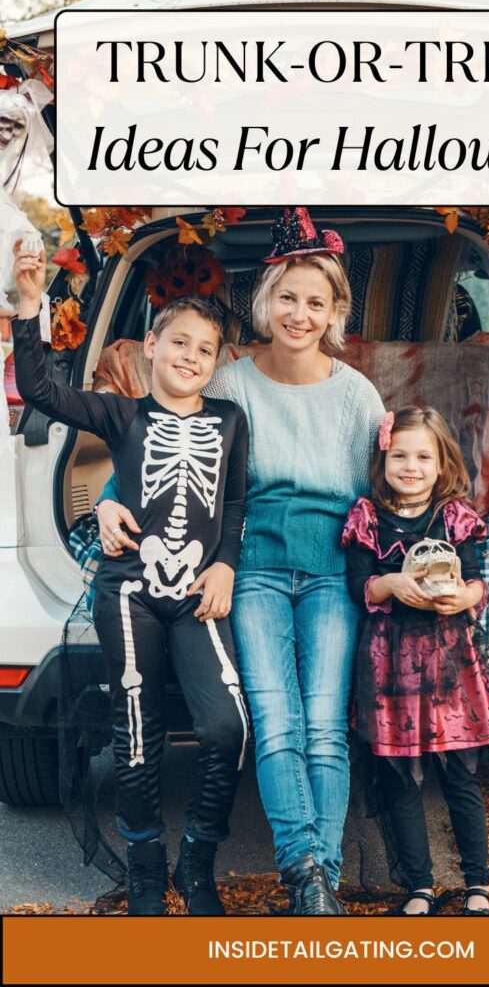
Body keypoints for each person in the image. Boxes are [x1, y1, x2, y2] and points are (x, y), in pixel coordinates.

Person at [95, 207, 386, 914]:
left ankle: (317, 871)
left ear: (334, 312)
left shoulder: (356, 396)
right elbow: (157, 447)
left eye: (316, 301)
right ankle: (303, 873)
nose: (298, 312)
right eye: (286, 295)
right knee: (276, 720)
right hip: (245, 563)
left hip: (327, 568)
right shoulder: (228, 385)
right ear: (264, 300)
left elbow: (387, 491)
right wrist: (105, 499)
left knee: (323, 722)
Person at [12, 241, 250, 917]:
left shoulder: (229, 422)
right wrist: (30, 307)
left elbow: (233, 504)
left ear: (217, 361)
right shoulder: (122, 415)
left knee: (227, 726)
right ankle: (146, 866)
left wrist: (226, 562)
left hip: (198, 594)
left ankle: (197, 858)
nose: (189, 357)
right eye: (178, 342)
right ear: (150, 344)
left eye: (204, 350)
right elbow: (38, 390)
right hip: (129, 591)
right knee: (137, 729)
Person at [342, 406, 489, 915]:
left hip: (448, 662)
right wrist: (391, 584)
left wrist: (467, 597)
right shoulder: (367, 517)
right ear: (383, 459)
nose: (411, 466)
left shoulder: (452, 516)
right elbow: (358, 586)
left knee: (460, 774)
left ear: (442, 462)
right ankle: (419, 884)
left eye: (424, 456)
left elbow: (474, 578)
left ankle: (477, 882)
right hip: (390, 664)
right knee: (401, 775)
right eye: (399, 455)